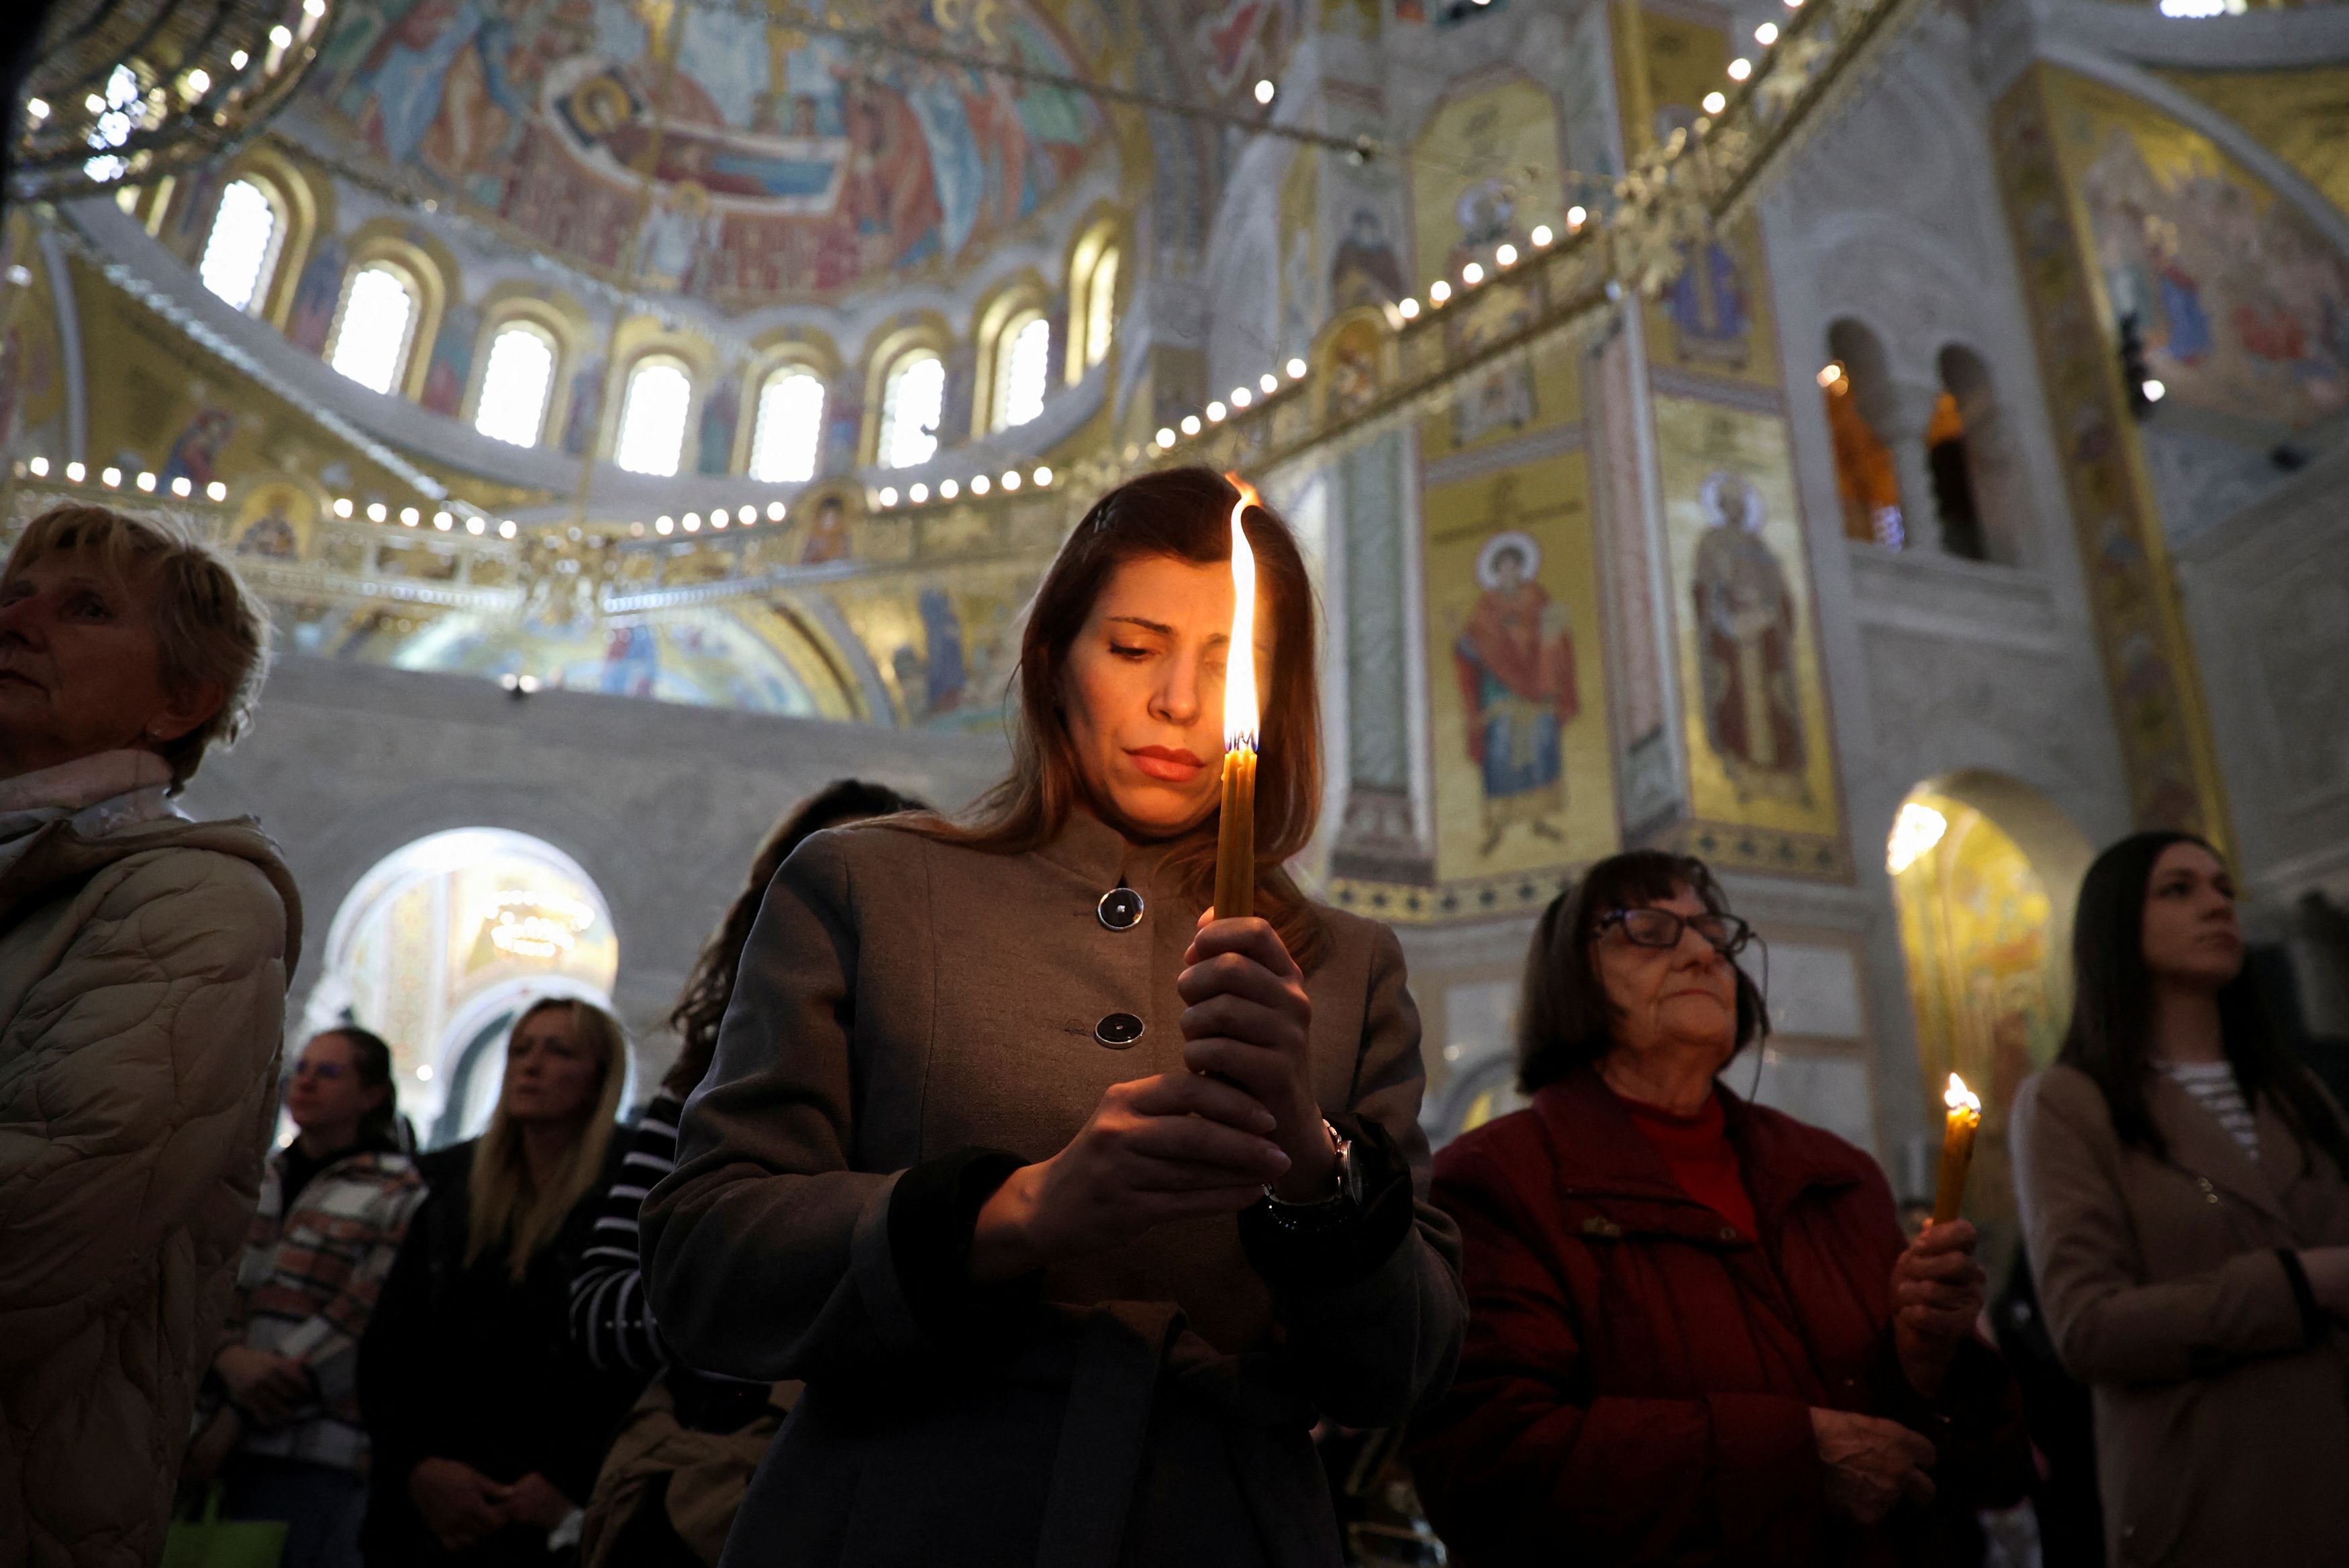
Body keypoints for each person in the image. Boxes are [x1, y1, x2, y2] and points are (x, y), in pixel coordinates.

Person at [641, 467, 1465, 1567]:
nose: (1178, 699)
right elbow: (703, 1261)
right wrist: (1014, 1213)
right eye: (1133, 648)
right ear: (1052, 660)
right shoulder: (866, 887)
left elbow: (1404, 1361)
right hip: (898, 1514)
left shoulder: (1348, 966)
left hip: (1219, 1524)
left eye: (1229, 664)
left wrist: (1311, 1164)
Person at [1409, 849, 2030, 1565]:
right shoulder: (1499, 1182)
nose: (1702, 953)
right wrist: (1794, 1460)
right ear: (1571, 975)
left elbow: (1985, 1469)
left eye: (1711, 932)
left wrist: (1926, 1362)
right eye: (1647, 928)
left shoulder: (1832, 1175)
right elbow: (1490, 1472)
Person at [0, 504, 297, 1568]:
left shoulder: (193, 907)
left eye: (84, 608)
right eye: (13, 591)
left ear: (183, 701)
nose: (19, 617)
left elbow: (35, 1225)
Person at [567, 778, 928, 1566]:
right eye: (823, 890)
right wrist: (761, 1295)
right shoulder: (700, 1087)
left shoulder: (940, 1100)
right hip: (698, 1483)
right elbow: (600, 1306)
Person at [2011, 832, 2349, 1567]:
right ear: (2114, 924)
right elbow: (2085, 1325)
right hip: (2211, 1497)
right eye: (2178, 889)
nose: (2215, 904)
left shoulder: (2298, 1094)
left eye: (2223, 888)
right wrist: (2297, 1283)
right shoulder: (2071, 1103)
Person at [358, 998, 644, 1566]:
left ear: (599, 1079)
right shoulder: (448, 1188)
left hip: (550, 1507)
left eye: (558, 1050)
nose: (530, 1065)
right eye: (521, 1048)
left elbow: (629, 1355)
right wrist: (419, 1465)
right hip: (428, 1497)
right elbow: (392, 1341)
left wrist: (570, 1479)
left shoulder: (630, 1194)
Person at [193, 1028, 428, 1568]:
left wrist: (242, 1405)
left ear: (371, 1094)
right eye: (301, 1068)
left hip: (312, 1445)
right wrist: (226, 1355)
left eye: (328, 1073)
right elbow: (211, 1283)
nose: (306, 1082)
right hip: (202, 1439)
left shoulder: (399, 1191)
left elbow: (361, 1314)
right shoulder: (257, 1176)